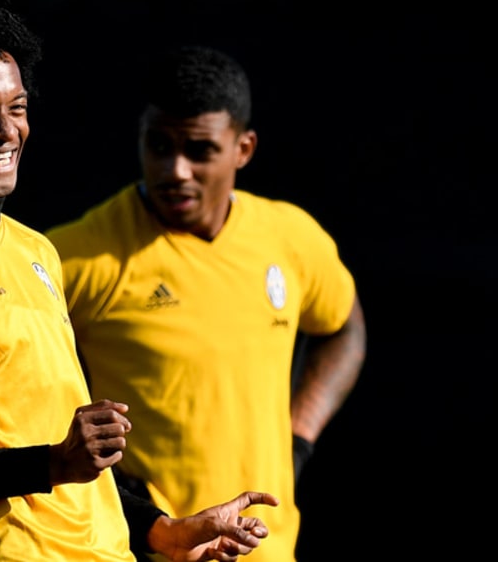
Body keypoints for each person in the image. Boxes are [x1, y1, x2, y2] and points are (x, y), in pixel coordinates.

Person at [0, 0, 279, 562]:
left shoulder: (35, 249)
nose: (6, 130)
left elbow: (67, 459)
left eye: (17, 108)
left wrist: (162, 530)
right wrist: (50, 464)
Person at [45, 45, 366, 562]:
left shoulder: (290, 237)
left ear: (243, 148)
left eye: (199, 150)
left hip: (269, 549)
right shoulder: (74, 256)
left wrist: (298, 439)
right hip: (146, 550)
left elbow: (345, 326)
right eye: (159, 145)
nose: (175, 169)